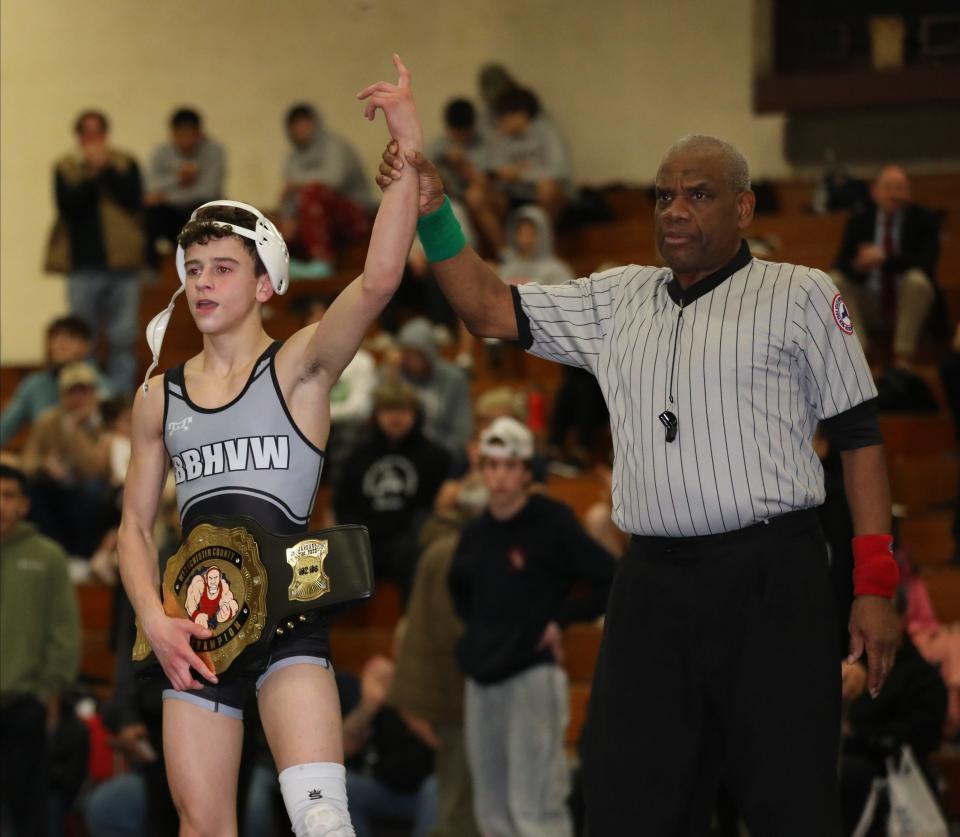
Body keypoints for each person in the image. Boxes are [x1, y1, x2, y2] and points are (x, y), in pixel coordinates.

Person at [375, 123, 902, 835]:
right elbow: (487, 307)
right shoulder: (616, 298)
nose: (674, 209)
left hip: (772, 577)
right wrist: (436, 211)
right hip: (652, 583)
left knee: (791, 804)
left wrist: (874, 582)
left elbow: (861, 438)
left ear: (743, 209)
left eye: (698, 194)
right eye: (662, 196)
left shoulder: (801, 293)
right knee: (627, 805)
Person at [116, 54, 421, 837]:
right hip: (197, 635)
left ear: (265, 283)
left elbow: (381, 278)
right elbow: (131, 526)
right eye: (192, 270)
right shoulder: (160, 393)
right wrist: (153, 617)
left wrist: (407, 145)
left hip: (288, 623)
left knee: (321, 821)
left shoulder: (299, 367)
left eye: (223, 266)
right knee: (203, 826)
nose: (204, 282)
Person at [448, 417, 616, 837]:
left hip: (532, 674)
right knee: (491, 808)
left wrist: (561, 620)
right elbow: (461, 596)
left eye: (510, 465)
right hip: (481, 676)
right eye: (492, 465)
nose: (500, 475)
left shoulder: (551, 521)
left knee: (536, 804)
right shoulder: (474, 533)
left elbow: (610, 577)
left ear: (526, 472)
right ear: (482, 470)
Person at [0, 463, 82, 837]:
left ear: (24, 505)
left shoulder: (47, 556)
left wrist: (45, 693)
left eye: (8, 495)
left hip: (24, 708)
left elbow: (64, 632)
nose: (1, 504)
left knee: (27, 816)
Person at [47, 109, 144, 394]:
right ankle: (90, 401)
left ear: (105, 134)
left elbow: (133, 200)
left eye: (97, 133)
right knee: (81, 341)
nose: (92, 139)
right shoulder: (65, 167)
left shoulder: (125, 163)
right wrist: (90, 174)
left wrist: (107, 170)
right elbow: (69, 208)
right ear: (78, 137)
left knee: (123, 338)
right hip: (82, 265)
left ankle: (122, 403)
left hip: (123, 266)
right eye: (86, 134)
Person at [839, 589, 948, 834]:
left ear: (900, 618)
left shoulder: (923, 677)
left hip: (892, 771)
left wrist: (858, 733)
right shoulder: (853, 666)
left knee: (852, 774)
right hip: (849, 758)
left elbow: (922, 734)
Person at [333, 380, 451, 594]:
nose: (395, 418)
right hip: (365, 543)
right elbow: (342, 504)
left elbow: (438, 510)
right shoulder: (357, 456)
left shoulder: (437, 457)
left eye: (403, 410)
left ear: (416, 414)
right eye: (388, 410)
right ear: (376, 415)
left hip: (413, 543)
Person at [830, 165, 941, 369]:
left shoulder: (924, 219)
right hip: (870, 300)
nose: (894, 194)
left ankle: (903, 359)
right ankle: (859, 356)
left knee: (917, 280)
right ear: (875, 191)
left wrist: (885, 259)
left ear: (908, 192)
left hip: (908, 303)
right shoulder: (859, 220)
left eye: (900, 188)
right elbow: (840, 264)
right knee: (835, 280)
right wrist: (858, 265)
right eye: (888, 187)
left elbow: (927, 263)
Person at [22, 361, 117, 557]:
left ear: (95, 393)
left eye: (85, 391)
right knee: (32, 490)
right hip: (57, 488)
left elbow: (97, 469)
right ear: (61, 395)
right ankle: (54, 553)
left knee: (92, 492)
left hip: (94, 489)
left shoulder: (105, 422)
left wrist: (73, 431)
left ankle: (84, 555)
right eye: (72, 392)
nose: (79, 398)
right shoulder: (48, 420)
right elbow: (27, 460)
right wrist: (44, 465)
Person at [342, 654, 437, 837]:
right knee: (343, 785)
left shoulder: (435, 694)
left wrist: (401, 701)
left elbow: (438, 742)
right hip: (386, 789)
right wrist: (370, 704)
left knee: (435, 788)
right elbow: (344, 748)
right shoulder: (382, 692)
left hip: (426, 792)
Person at [280, 103, 375, 278]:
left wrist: (297, 184)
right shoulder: (292, 158)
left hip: (354, 216)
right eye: (295, 126)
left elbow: (334, 179)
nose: (300, 130)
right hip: (316, 221)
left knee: (312, 192)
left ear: (315, 123)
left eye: (304, 124)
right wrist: (288, 218)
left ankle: (322, 261)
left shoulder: (335, 146)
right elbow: (289, 194)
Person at [0, 314, 111, 446]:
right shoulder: (35, 385)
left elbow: (111, 429)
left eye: (71, 337)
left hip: (88, 458)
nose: (61, 343)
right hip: (46, 458)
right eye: (55, 336)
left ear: (86, 346)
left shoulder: (98, 383)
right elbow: (5, 427)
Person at [145, 107, 226, 264]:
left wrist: (167, 195)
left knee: (207, 209)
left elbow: (208, 192)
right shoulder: (161, 152)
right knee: (150, 213)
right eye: (181, 135)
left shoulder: (214, 152)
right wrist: (178, 179)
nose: (185, 141)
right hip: (171, 214)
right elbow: (151, 186)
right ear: (172, 134)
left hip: (199, 212)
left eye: (190, 135)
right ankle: (151, 268)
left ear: (200, 134)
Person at [393, 317, 473, 458]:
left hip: (442, 454)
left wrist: (434, 455)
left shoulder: (454, 379)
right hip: (401, 452)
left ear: (428, 353)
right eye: (406, 353)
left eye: (414, 354)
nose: (409, 360)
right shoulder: (395, 375)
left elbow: (462, 433)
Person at [427, 98, 489, 204]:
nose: (460, 137)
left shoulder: (483, 143)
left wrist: (463, 164)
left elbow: (486, 180)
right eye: (456, 132)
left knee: (475, 195)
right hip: (449, 195)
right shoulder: (440, 144)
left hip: (478, 194)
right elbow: (425, 167)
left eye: (464, 132)